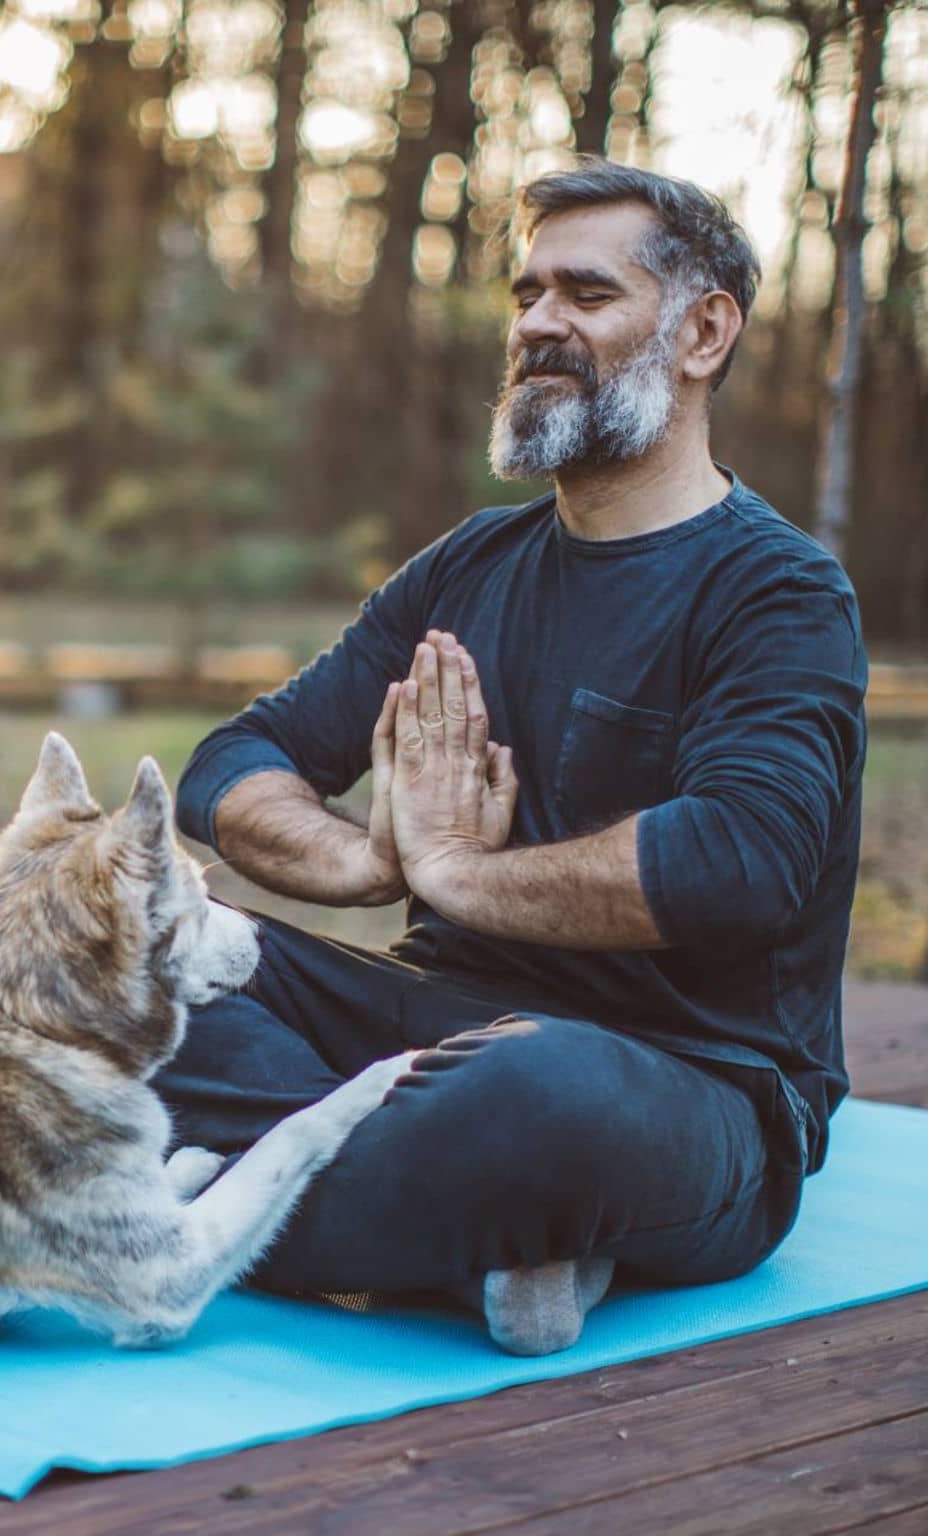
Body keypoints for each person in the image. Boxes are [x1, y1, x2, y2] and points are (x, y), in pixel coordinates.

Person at [152, 159, 869, 1355]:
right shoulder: (468, 566)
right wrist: (361, 862)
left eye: (584, 296)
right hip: (427, 1032)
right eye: (525, 293)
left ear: (701, 332)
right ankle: (448, 1254)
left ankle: (188, 1200)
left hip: (686, 1083)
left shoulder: (780, 591)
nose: (536, 323)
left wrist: (459, 876)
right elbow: (233, 761)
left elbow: (740, 861)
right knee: (133, 963)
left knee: (537, 1095)